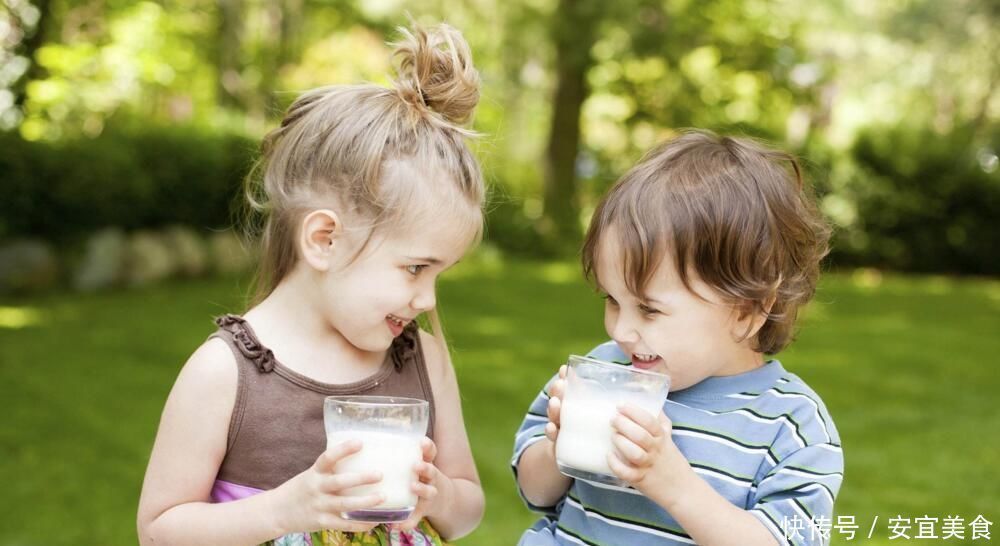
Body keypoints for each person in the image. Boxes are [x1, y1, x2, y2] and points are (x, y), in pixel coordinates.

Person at [138, 22, 486, 546]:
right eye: (416, 268)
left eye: (440, 273)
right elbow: (159, 531)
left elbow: (469, 507)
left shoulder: (423, 359)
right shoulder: (224, 374)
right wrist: (286, 510)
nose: (428, 298)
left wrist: (438, 496)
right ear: (324, 239)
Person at [512, 130, 843, 546]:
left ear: (747, 311)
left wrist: (673, 484)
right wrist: (559, 445)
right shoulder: (604, 373)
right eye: (613, 301)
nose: (619, 331)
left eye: (649, 309)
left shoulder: (791, 425)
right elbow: (534, 490)